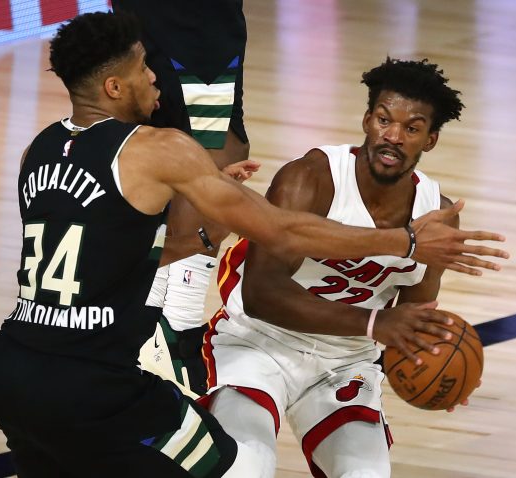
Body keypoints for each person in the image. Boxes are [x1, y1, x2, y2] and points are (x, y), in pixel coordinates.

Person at [0, 13, 507, 477]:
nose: (155, 75)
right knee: (231, 466)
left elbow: (114, 249)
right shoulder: (163, 148)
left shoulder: (39, 149)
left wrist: (210, 225)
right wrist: (408, 242)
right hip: (101, 381)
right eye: (144, 67)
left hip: (11, 369)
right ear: (115, 87)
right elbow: (279, 231)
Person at [204, 58, 481, 478]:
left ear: (431, 139)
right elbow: (260, 295)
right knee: (245, 468)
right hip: (258, 344)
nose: (393, 136)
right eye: (385, 119)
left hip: (346, 363)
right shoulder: (309, 178)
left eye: (412, 128)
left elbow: (410, 321)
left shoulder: (437, 216)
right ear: (368, 119)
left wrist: (442, 367)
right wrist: (374, 323)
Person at [111, 0, 250, 395]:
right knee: (210, 148)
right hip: (193, 20)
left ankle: (151, 317)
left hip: (161, 18)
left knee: (153, 137)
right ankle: (177, 325)